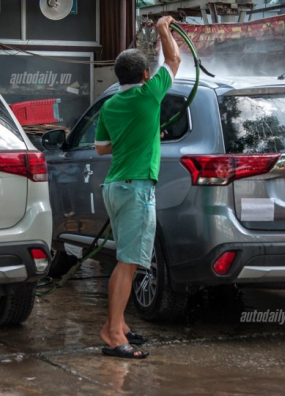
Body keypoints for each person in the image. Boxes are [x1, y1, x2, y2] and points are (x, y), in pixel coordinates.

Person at [94, 15, 181, 359]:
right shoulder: (150, 95)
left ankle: (121, 323)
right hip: (136, 190)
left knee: (124, 259)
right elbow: (174, 59)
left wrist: (138, 136)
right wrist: (163, 29)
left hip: (115, 187)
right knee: (129, 263)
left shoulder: (111, 104)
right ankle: (113, 331)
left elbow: (101, 147)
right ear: (145, 75)